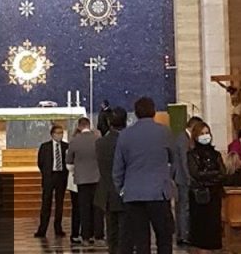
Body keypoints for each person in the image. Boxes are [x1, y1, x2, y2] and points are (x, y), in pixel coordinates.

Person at [113, 97, 175, 254]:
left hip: (133, 194)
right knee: (164, 237)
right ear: (153, 111)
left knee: (140, 240)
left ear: (135, 113)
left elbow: (118, 168)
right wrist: (168, 181)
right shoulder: (164, 132)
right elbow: (174, 160)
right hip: (159, 192)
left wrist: (122, 189)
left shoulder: (125, 135)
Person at [187, 121, 226, 253]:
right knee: (201, 228)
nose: (205, 136)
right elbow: (196, 173)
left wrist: (210, 176)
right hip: (200, 196)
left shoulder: (216, 154)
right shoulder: (192, 155)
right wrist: (212, 175)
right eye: (202, 133)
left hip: (215, 195)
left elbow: (222, 172)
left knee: (213, 226)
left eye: (207, 133)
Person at [96, 106, 127, 254]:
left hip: (107, 191)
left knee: (112, 231)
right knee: (126, 232)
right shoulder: (128, 141)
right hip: (126, 191)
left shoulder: (100, 143)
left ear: (109, 122)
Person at [69, 117, 103, 245]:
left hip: (82, 179)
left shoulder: (74, 141)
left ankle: (85, 237)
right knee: (97, 208)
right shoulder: (98, 139)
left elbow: (68, 161)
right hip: (97, 177)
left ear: (79, 127)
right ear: (90, 126)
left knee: (84, 208)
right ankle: (98, 235)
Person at [173, 116, 203, 246]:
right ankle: (184, 235)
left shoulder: (182, 138)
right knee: (184, 208)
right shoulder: (183, 139)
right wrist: (190, 178)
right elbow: (185, 161)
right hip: (183, 179)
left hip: (182, 178)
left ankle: (182, 233)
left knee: (182, 207)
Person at [35, 124, 69, 238]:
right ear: (52, 134)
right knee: (46, 203)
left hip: (61, 177)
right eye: (57, 133)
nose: (60, 135)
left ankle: (58, 228)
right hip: (49, 177)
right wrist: (46, 173)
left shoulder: (66, 146)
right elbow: (40, 163)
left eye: (61, 133)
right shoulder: (45, 147)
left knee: (59, 204)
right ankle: (42, 229)